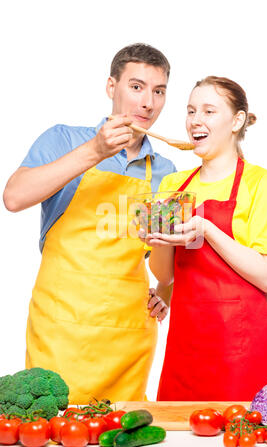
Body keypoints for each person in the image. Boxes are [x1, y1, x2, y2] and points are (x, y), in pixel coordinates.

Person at [3, 43, 177, 404]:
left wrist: (165, 291)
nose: (148, 102)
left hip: (129, 336)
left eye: (158, 91)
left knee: (123, 443)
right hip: (61, 328)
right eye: (137, 86)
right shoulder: (62, 139)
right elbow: (14, 197)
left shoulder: (166, 172)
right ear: (111, 87)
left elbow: (165, 257)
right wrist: (95, 151)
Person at [141, 76, 267, 401]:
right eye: (191, 110)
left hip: (244, 348)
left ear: (236, 120)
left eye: (209, 111)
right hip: (186, 346)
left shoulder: (263, 185)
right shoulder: (174, 184)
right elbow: (166, 276)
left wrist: (208, 230)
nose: (196, 120)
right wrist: (159, 239)